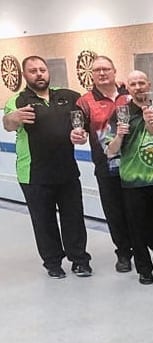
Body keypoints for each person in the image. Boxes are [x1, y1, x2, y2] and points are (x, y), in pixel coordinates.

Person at [2, 56, 92, 278]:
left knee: (74, 217)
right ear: (25, 75)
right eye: (33, 71)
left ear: (48, 72)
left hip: (67, 170)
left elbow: (85, 120)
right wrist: (11, 118)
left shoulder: (68, 96)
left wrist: (82, 135)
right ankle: (52, 263)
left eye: (42, 69)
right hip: (34, 174)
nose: (39, 74)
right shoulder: (18, 101)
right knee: (44, 221)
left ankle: (80, 260)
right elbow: (8, 124)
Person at [104, 70, 153, 285]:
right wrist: (119, 135)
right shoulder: (121, 113)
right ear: (128, 87)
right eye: (133, 84)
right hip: (132, 181)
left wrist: (152, 121)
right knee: (137, 227)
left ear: (149, 84)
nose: (138, 87)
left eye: (141, 83)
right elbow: (110, 151)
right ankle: (144, 269)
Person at [75, 55, 133, 273]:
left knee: (140, 210)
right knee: (115, 213)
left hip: (135, 166)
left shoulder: (129, 96)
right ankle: (124, 254)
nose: (102, 73)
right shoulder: (84, 101)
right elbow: (77, 128)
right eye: (97, 69)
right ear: (93, 74)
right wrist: (76, 135)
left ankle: (148, 246)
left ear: (115, 71)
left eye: (106, 69)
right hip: (106, 168)